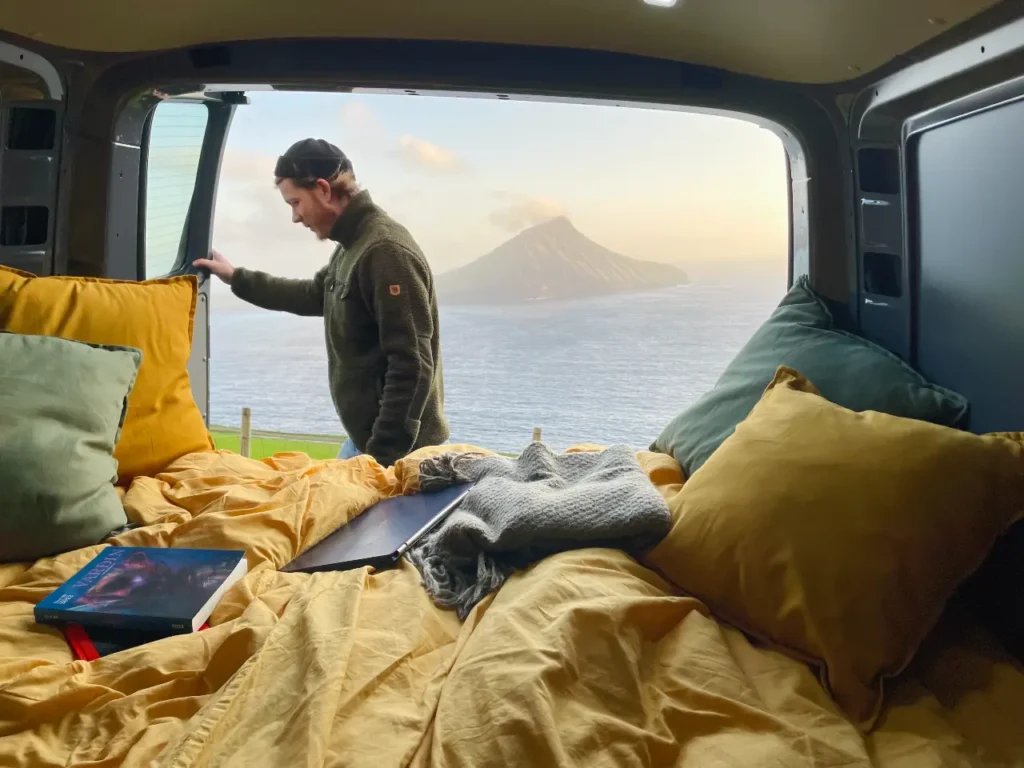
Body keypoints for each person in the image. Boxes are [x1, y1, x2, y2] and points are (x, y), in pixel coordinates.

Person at [194, 138, 449, 466]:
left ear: (324, 189)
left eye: (295, 202)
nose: (295, 217)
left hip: (398, 454)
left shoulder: (385, 251)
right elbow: (315, 295)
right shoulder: (353, 243)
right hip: (367, 442)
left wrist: (379, 461)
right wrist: (236, 277)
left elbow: (412, 365)